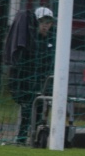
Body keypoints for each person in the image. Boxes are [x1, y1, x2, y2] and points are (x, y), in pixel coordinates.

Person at [4, 7, 56, 143]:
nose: (45, 25)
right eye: (42, 22)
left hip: (44, 82)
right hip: (28, 82)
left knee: (41, 112)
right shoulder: (29, 41)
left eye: (48, 22)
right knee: (27, 110)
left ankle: (37, 138)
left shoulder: (53, 41)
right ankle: (21, 138)